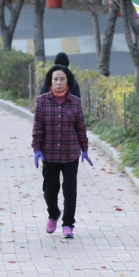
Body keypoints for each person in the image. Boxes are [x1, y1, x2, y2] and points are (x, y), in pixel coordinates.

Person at [31, 66, 91, 239]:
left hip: (70, 152)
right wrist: (36, 148)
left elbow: (81, 127)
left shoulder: (75, 102)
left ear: (68, 82)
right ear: (50, 81)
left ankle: (68, 224)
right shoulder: (42, 101)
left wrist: (84, 148)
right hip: (49, 153)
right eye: (55, 79)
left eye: (62, 79)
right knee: (50, 189)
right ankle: (53, 213)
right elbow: (37, 127)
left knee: (69, 190)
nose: (58, 82)